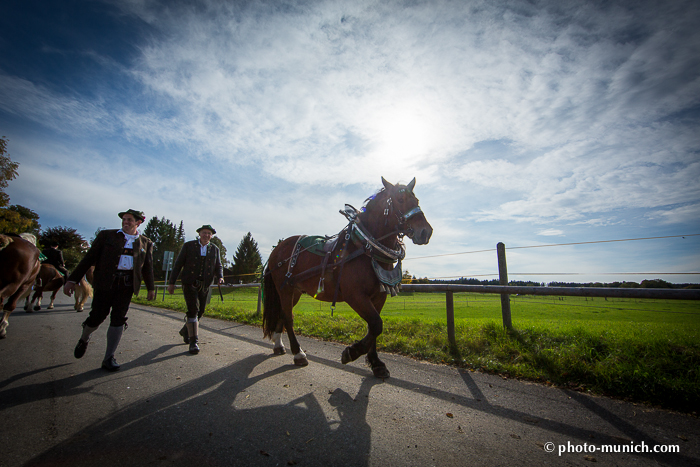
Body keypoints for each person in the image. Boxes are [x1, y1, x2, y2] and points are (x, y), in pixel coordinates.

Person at [64, 209, 156, 371]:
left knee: (119, 319)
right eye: (124, 219)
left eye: (129, 220)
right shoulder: (107, 236)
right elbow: (89, 259)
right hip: (105, 283)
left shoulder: (145, 242)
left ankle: (109, 357)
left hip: (127, 286)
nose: (125, 222)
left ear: (138, 222)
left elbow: (147, 267)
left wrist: (150, 288)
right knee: (97, 316)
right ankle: (84, 338)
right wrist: (72, 280)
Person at [167, 224, 224, 354]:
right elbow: (178, 265)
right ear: (199, 234)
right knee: (193, 310)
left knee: (201, 311)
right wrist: (171, 283)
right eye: (204, 233)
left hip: (205, 285)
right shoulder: (189, 246)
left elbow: (218, 265)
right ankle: (194, 342)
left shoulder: (214, 249)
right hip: (189, 283)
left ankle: (185, 330)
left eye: (209, 234)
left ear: (211, 236)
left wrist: (220, 277)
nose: (206, 235)